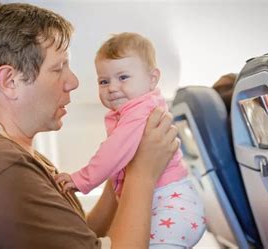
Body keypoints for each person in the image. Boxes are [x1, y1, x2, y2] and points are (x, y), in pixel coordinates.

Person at [0, 3, 180, 249]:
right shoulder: (0, 167)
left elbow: (79, 237)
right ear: (10, 81)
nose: (73, 81)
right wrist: (142, 175)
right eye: (58, 68)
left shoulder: (14, 153)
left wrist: (121, 169)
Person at [54, 32, 206, 248]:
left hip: (170, 202)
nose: (112, 87)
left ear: (152, 79)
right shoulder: (132, 110)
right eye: (104, 81)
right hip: (164, 201)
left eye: (123, 77)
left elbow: (113, 151)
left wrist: (82, 178)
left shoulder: (140, 110)